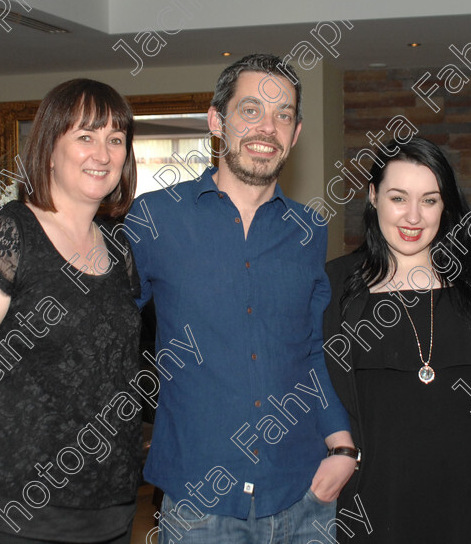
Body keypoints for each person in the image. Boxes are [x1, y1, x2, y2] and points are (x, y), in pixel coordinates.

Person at [127, 54, 357, 543]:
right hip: (198, 504)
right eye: (250, 110)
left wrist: (341, 446)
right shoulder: (155, 219)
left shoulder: (308, 230)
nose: (266, 128)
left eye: (283, 115)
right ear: (217, 121)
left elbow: (310, 350)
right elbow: (106, 331)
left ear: (296, 134)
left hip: (303, 495)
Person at [0, 78, 142, 543]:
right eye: (85, 136)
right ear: (49, 150)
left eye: (115, 139)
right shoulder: (6, 235)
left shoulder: (119, 250)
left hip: (111, 512)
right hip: (12, 515)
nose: (102, 153)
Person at [323, 137, 471, 543]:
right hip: (375, 505)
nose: (413, 216)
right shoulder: (334, 287)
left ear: (446, 206)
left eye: (429, 200)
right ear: (373, 197)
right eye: (398, 198)